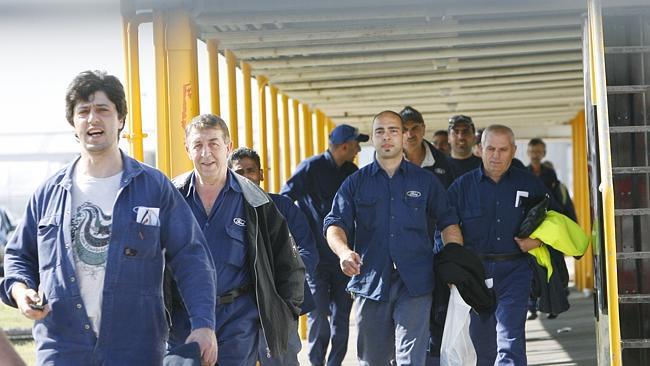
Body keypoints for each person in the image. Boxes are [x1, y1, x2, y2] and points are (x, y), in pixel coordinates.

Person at [0, 70, 218, 365]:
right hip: (63, 345)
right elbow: (18, 256)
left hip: (135, 347)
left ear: (121, 120)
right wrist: (20, 290)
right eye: (83, 112)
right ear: (73, 124)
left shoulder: (153, 187)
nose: (93, 119)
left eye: (103, 110)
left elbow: (191, 257)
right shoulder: (48, 194)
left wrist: (203, 324)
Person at [324, 110, 464, 365]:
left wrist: (455, 261)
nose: (386, 137)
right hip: (371, 280)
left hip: (416, 282)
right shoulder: (355, 183)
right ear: (373, 139)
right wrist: (344, 252)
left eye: (393, 131)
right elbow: (334, 224)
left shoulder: (425, 181)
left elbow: (448, 222)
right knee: (373, 360)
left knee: (411, 359)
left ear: (403, 137)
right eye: (380, 131)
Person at [168, 114, 305, 365]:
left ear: (228, 148)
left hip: (238, 321)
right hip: (182, 320)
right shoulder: (170, 198)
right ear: (188, 149)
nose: (206, 153)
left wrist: (283, 313)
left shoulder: (255, 200)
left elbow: (290, 264)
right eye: (198, 145)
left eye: (214, 143)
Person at [447, 124, 555, 365]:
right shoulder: (461, 188)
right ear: (479, 150)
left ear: (514, 150)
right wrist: (451, 267)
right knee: (481, 344)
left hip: (515, 271)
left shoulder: (530, 185)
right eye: (490, 149)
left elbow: (558, 222)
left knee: (510, 338)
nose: (496, 155)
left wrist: (536, 241)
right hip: (475, 273)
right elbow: (443, 228)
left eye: (503, 150)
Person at [280, 123, 367, 366]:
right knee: (319, 318)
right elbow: (285, 198)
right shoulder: (311, 167)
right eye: (356, 144)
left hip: (343, 258)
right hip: (315, 259)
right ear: (344, 146)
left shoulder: (351, 170)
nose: (359, 148)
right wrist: (298, 233)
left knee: (341, 321)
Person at [228, 147, 318, 366]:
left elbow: (307, 253)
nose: (246, 176)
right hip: (234, 308)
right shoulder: (221, 212)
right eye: (239, 172)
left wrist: (280, 290)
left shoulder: (283, 207)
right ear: (229, 175)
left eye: (251, 170)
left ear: (261, 174)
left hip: (279, 306)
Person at [526, 138, 576, 320]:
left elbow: (560, 204)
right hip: (531, 230)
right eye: (532, 151)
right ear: (528, 152)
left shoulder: (550, 174)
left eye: (539, 151)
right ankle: (532, 307)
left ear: (544, 153)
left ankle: (555, 305)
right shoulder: (523, 173)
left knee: (554, 267)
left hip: (551, 229)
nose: (535, 154)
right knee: (532, 269)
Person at [400, 106, 454, 188]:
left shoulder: (444, 162)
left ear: (423, 129)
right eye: (404, 129)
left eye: (414, 128)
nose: (409, 134)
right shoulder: (387, 163)